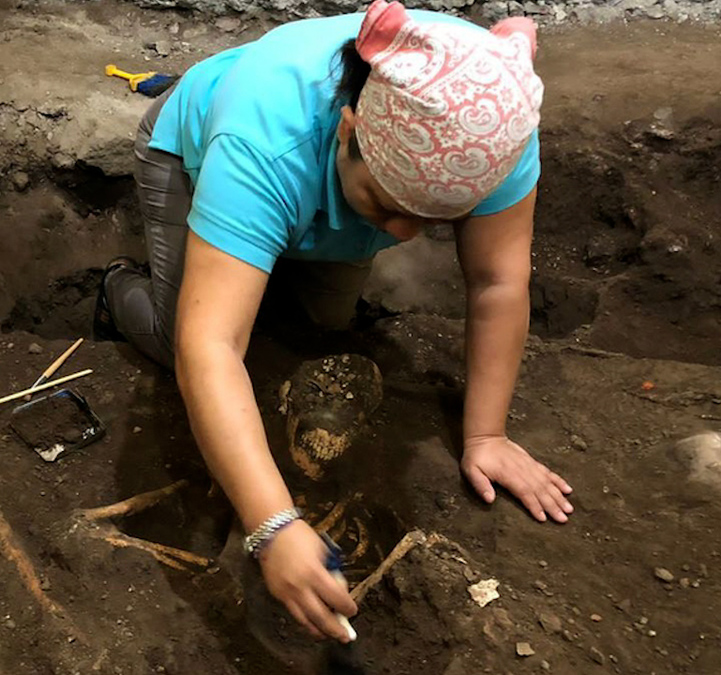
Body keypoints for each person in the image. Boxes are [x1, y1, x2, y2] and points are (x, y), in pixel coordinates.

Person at [94, 0, 575, 643]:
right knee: (173, 335)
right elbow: (208, 347)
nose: (401, 233)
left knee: (314, 332)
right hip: (193, 148)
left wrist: (485, 436)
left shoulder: (494, 127)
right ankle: (118, 289)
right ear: (348, 129)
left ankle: (276, 245)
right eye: (385, 202)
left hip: (314, 182)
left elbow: (497, 281)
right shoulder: (263, 139)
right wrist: (272, 526)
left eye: (428, 221)